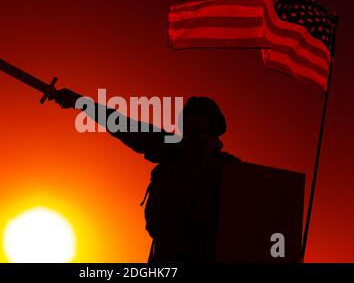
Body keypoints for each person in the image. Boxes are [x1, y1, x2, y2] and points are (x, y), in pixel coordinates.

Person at [50, 88, 239, 262]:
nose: (191, 122)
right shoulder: (171, 149)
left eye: (198, 116)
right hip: (164, 255)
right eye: (188, 117)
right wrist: (82, 103)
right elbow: (126, 126)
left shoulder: (230, 169)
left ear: (212, 123)